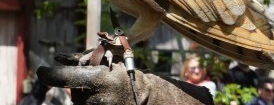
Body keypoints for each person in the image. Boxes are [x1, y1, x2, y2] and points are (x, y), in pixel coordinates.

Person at [36, 53, 214, 105]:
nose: (196, 70)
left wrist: (147, 95)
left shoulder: (210, 87)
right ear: (186, 72)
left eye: (199, 67)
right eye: (192, 67)